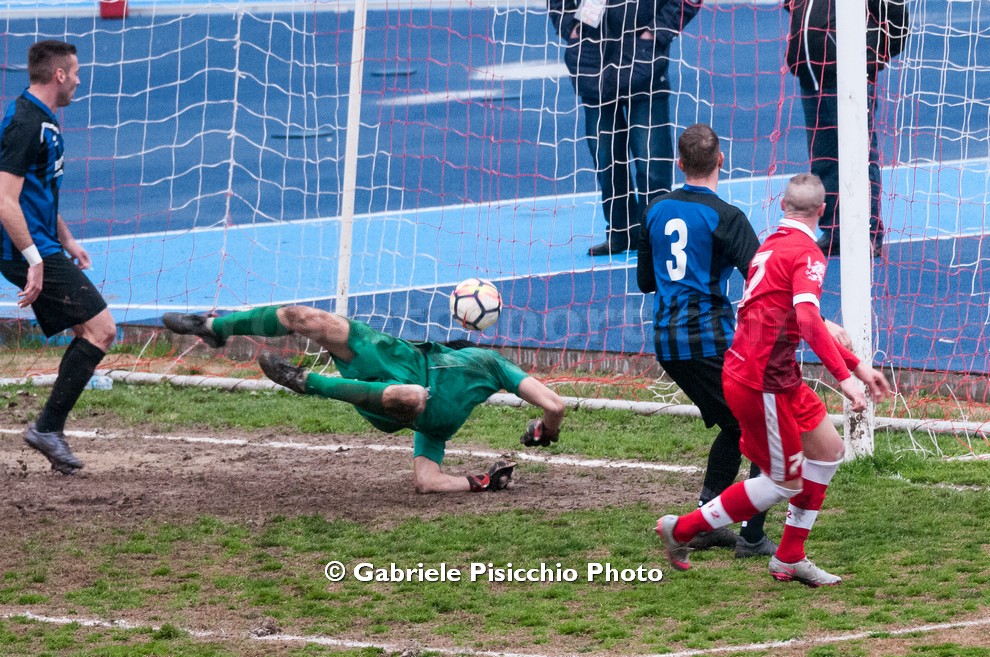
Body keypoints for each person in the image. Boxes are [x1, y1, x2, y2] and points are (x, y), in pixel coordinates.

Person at [656, 173, 891, 586]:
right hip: (759, 381)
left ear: (783, 205)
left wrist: (857, 367)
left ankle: (789, 557)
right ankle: (683, 529)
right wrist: (844, 378)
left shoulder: (770, 246)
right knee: (783, 482)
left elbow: (801, 319)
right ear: (824, 211)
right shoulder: (807, 254)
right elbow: (808, 319)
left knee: (829, 451)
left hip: (775, 376)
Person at [162, 306, 565, 493]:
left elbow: (426, 482)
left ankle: (305, 381)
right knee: (304, 317)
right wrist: (544, 431)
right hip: (391, 353)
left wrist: (482, 482)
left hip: (390, 400)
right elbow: (554, 407)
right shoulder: (474, 359)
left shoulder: (451, 413)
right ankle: (214, 326)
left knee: (412, 396)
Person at [637, 123, 775, 558]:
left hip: (667, 342)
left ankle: (706, 521)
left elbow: (646, 282)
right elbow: (762, 280)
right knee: (762, 425)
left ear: (679, 163)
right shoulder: (726, 217)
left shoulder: (655, 210)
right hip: (709, 340)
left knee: (736, 425)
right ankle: (752, 536)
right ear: (721, 160)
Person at [0, 40, 116, 475]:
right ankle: (47, 428)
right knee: (103, 330)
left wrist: (66, 239)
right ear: (59, 74)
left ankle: (49, 429)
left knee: (89, 329)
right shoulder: (25, 123)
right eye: (76, 73)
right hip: (23, 248)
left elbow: (37, 191)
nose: (80, 81)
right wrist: (34, 259)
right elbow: (5, 200)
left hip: (42, 244)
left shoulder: (43, 119)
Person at [548, 0, 701, 256]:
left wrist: (656, 32)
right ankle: (620, 232)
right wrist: (569, 27)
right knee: (606, 160)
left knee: (652, 162)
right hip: (593, 60)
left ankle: (656, 236)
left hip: (644, 61)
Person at [785, 0, 910, 257]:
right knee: (824, 158)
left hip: (849, 76)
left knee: (858, 157)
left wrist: (874, 55)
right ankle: (835, 230)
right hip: (810, 75)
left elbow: (896, 13)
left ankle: (867, 231)